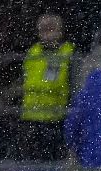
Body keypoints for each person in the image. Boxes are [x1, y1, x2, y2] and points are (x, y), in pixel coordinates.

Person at [12, 13, 74, 161]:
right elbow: (25, 79)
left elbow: (74, 85)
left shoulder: (68, 52)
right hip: (31, 118)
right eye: (43, 30)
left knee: (51, 163)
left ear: (60, 32)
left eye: (51, 29)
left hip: (55, 119)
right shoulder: (33, 51)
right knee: (31, 164)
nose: (47, 34)